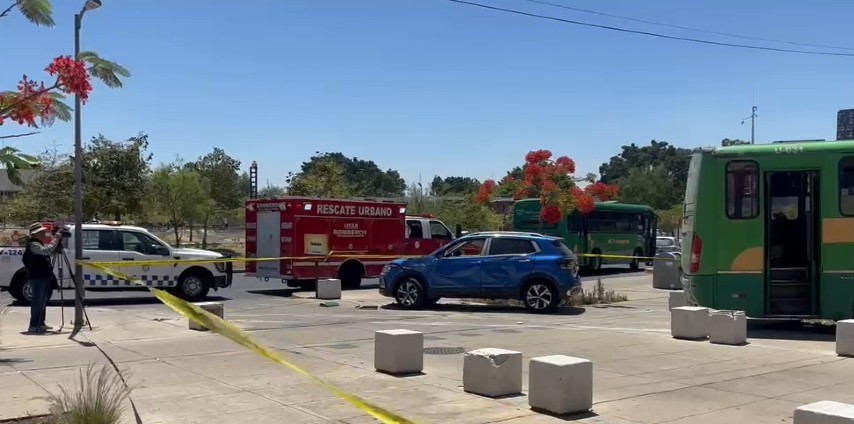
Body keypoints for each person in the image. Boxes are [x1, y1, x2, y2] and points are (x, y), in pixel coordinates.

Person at [22, 222, 60, 334]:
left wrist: (56, 245)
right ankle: (34, 325)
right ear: (36, 233)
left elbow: (47, 253)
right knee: (37, 301)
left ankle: (41, 323)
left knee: (42, 301)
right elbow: (45, 251)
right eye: (42, 232)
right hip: (37, 277)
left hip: (43, 276)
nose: (44, 233)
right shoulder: (34, 245)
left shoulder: (38, 243)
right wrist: (56, 240)